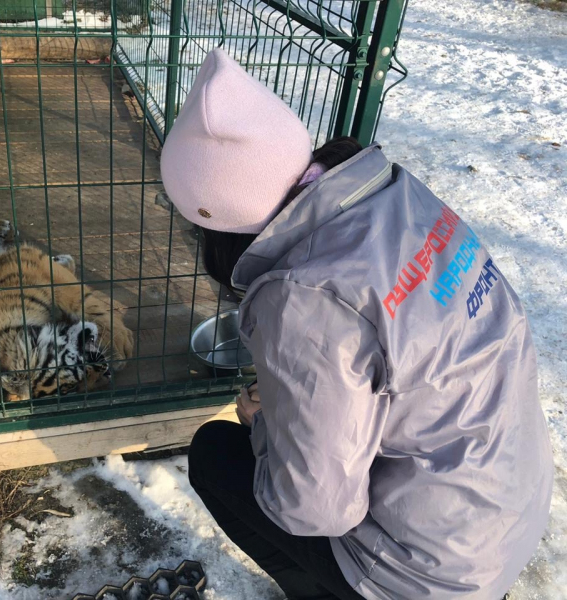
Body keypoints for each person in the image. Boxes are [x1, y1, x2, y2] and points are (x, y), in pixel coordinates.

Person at [160, 49, 553, 600]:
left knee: (214, 455)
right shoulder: (397, 198)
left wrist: (265, 424)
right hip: (510, 508)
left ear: (213, 220)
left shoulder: (303, 299)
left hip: (433, 575)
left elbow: (315, 508)